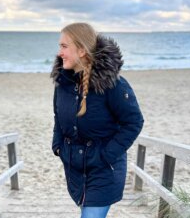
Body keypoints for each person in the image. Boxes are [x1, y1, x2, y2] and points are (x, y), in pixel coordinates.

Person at [50, 22, 144, 218]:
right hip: (75, 169)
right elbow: (58, 119)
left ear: (82, 50)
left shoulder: (113, 84)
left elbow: (133, 122)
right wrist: (58, 145)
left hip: (104, 170)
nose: (60, 52)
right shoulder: (62, 84)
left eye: (64, 46)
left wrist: (106, 155)